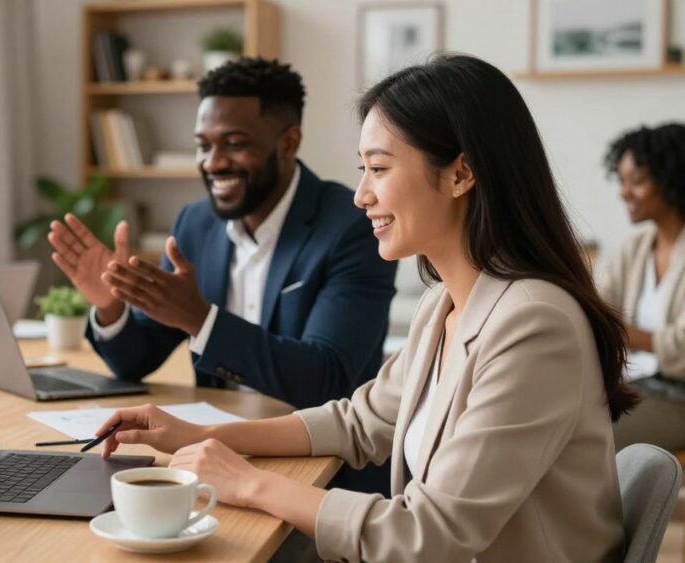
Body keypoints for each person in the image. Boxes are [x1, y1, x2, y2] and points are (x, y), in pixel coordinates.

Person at [93, 55, 635, 562]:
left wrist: (249, 482)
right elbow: (357, 421)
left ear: (460, 174)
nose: (361, 195)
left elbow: (431, 535)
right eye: (362, 169)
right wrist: (198, 434)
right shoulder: (443, 305)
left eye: (378, 168)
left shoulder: (534, 324)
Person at [49, 58, 396, 493]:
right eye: (203, 145)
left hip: (326, 471)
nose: (213, 163)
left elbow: (327, 379)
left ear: (288, 143)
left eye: (233, 143)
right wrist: (111, 305)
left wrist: (200, 320)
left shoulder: (350, 225)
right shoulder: (196, 224)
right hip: (210, 456)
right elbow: (137, 359)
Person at [598, 123, 685, 451]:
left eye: (637, 181)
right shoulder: (635, 249)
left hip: (678, 399)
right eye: (621, 181)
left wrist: (623, 332)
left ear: (670, 180)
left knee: (593, 435)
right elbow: (597, 305)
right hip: (638, 387)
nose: (624, 192)